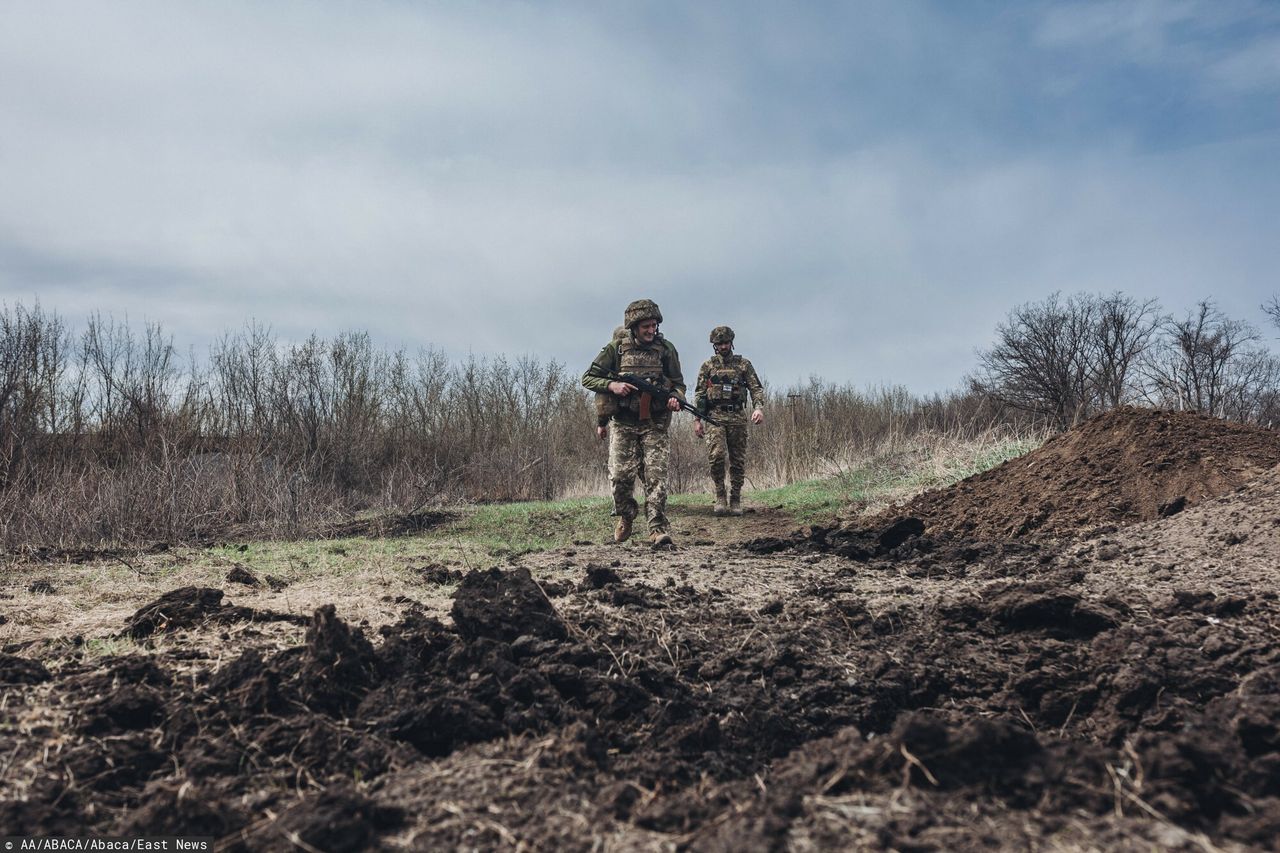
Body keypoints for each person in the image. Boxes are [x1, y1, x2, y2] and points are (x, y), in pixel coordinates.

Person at [582, 299, 687, 545]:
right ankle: (627, 515)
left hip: (655, 423)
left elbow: (679, 383)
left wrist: (677, 399)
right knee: (619, 477)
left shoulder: (666, 349)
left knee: (656, 477)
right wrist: (612, 385)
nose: (651, 331)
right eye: (645, 327)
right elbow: (588, 377)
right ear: (633, 327)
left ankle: (657, 528)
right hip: (623, 422)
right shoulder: (616, 349)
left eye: (654, 326)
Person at [693, 326, 765, 515]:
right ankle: (720, 496)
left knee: (737, 459)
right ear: (714, 346)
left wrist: (758, 408)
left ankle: (735, 498)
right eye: (719, 344)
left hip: (737, 417)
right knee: (716, 456)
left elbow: (755, 388)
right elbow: (699, 393)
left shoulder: (743, 365)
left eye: (726, 343)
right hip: (714, 417)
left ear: (731, 343)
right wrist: (697, 420)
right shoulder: (708, 366)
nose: (723, 346)